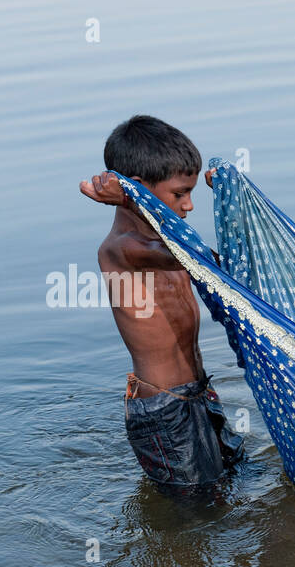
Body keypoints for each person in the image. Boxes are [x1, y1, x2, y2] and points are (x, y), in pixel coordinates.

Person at [80, 115, 243, 490]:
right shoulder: (125, 248)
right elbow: (200, 260)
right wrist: (126, 198)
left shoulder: (162, 235)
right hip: (164, 411)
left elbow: (208, 259)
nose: (188, 206)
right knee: (197, 508)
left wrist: (231, 196)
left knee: (234, 481)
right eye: (179, 194)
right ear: (138, 189)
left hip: (199, 394)